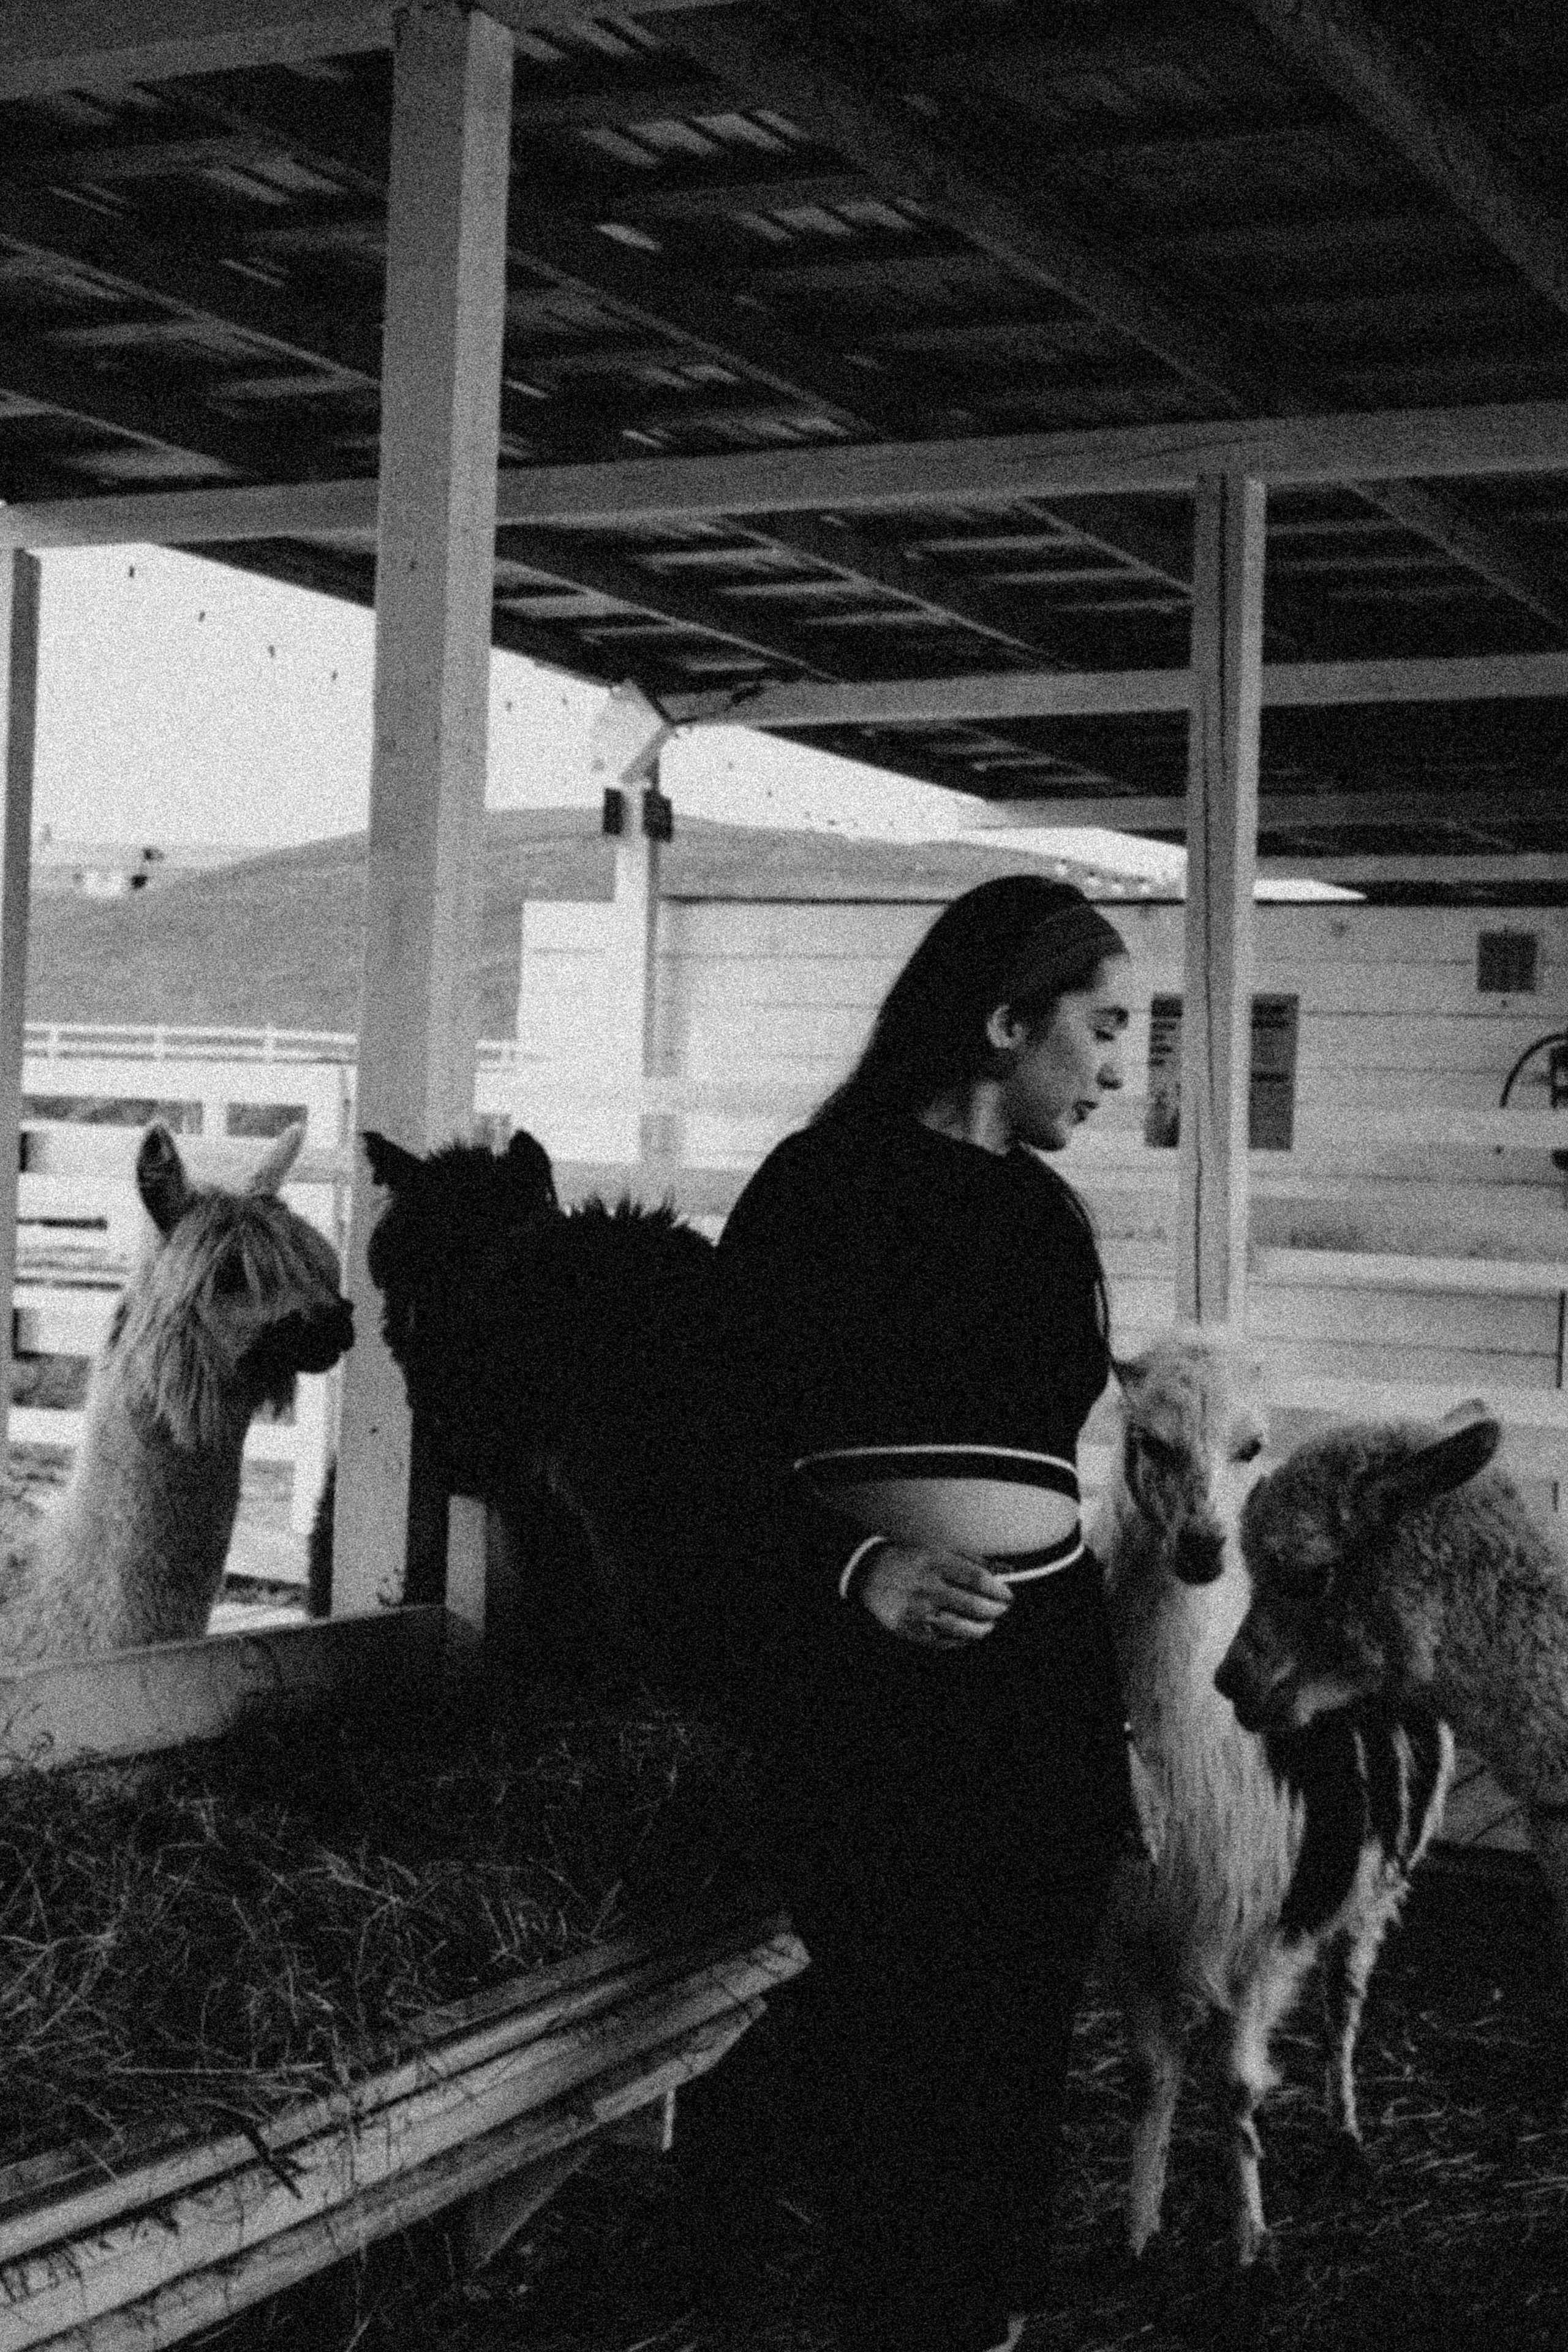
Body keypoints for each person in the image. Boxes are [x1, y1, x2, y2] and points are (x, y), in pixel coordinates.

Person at [711, 875, 1138, 2352]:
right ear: (1001, 1018)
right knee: (899, 2057)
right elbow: (700, 1456)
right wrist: (858, 1576)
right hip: (878, 1711)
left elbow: (1052, 1474)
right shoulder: (818, 1188)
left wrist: (1102, 1717)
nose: (1114, 1066)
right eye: (1099, 1026)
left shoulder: (1048, 1217)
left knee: (1016, 2054)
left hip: (1038, 1706)